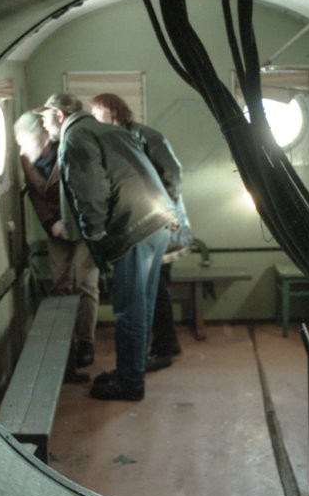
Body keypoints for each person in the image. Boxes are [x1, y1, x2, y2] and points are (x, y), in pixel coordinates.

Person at [35, 93, 176, 401]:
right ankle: (132, 370)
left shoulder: (74, 138)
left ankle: (130, 383)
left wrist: (96, 239)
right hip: (159, 222)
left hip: (134, 228)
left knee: (129, 310)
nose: (43, 126)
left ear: (59, 115)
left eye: (45, 118)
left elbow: (91, 193)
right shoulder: (109, 130)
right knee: (143, 305)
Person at [89, 93, 192, 373]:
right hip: (150, 223)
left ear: (113, 112)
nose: (94, 119)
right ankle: (165, 344)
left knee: (156, 289)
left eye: (97, 113)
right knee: (153, 289)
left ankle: (163, 347)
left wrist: (163, 210)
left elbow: (173, 173)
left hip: (160, 223)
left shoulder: (146, 136)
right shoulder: (119, 138)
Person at [13, 111, 98, 379]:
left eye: (26, 142)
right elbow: (36, 196)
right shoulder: (26, 159)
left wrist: (74, 221)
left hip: (82, 225)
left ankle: (86, 342)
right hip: (55, 228)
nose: (22, 149)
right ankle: (65, 345)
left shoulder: (69, 149)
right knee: (59, 285)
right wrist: (51, 223)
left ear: (43, 139)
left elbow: (88, 188)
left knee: (85, 283)